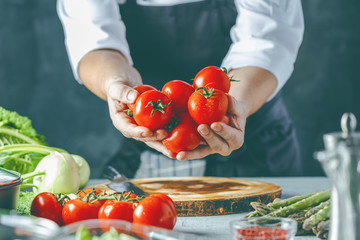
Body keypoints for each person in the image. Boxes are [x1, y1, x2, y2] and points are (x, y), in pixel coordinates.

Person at [57, 0, 304, 178]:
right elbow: (91, 38)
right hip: (152, 138)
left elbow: (268, 40)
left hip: (255, 143)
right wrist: (117, 85)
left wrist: (231, 107)